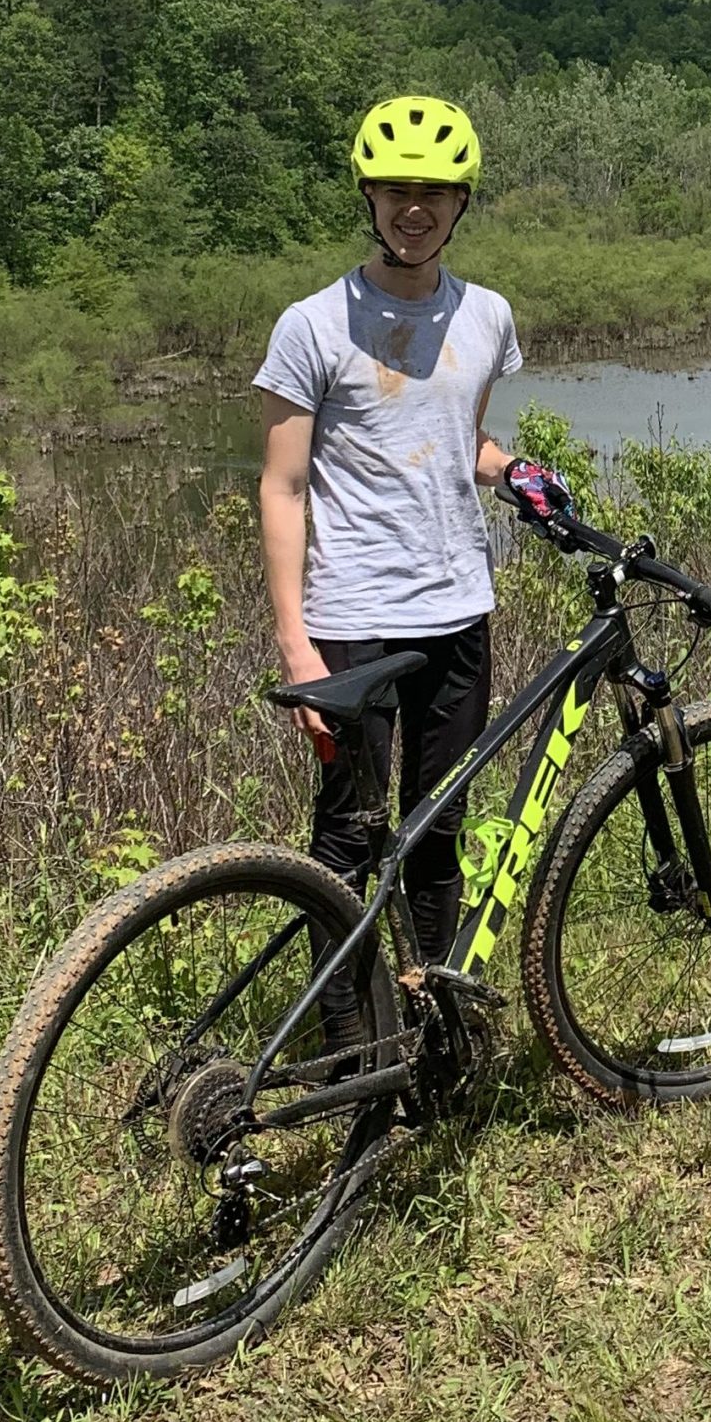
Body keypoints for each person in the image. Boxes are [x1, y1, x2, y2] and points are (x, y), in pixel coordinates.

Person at [253, 95, 521, 972]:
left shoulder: (487, 317)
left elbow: (459, 440)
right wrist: (297, 645)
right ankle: (348, 1055)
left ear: (462, 202)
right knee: (346, 847)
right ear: (368, 196)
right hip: (353, 621)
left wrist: (513, 473)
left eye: (436, 190)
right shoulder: (313, 325)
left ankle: (429, 1030)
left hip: (457, 613)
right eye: (398, 188)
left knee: (438, 833)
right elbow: (283, 485)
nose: (416, 207)